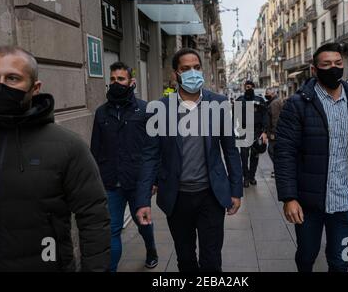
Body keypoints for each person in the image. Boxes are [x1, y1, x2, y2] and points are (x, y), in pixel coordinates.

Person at [0, 46, 110, 272]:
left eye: (12, 78)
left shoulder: (68, 146)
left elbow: (94, 217)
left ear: (35, 88)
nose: (0, 85)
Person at [274, 43, 348, 272]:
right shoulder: (297, 104)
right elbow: (285, 153)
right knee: (306, 255)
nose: (333, 68)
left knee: (342, 259)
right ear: (314, 69)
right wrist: (289, 197)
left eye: (338, 63)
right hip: (308, 202)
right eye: (326, 64)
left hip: (347, 201)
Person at [135, 48, 243, 272]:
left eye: (196, 67)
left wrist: (236, 190)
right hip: (177, 198)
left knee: (212, 260)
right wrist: (143, 199)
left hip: (211, 196)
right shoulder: (160, 109)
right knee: (185, 259)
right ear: (176, 74)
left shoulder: (219, 104)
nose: (192, 72)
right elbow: (150, 156)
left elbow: (231, 150)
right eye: (185, 69)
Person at [91, 62, 158, 272]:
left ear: (131, 82)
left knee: (143, 223)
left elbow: (154, 149)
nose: (115, 83)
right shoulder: (101, 113)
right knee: (112, 230)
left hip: (138, 181)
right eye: (112, 79)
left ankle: (151, 249)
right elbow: (95, 149)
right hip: (111, 181)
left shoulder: (146, 110)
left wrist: (154, 180)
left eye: (120, 79)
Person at [235, 81, 268, 187]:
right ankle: (246, 178)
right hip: (244, 132)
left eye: (249, 87)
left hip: (257, 132)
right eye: (246, 87)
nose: (247, 89)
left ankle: (252, 177)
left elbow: (265, 117)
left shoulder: (260, 100)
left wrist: (264, 132)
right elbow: (234, 118)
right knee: (244, 157)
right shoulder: (240, 100)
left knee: (255, 156)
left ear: (253, 87)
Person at [265, 88, 284, 179]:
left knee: (272, 151)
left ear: (272, 94)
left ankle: (278, 169)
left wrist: (273, 133)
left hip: (275, 133)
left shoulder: (274, 103)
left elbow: (275, 119)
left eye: (267, 93)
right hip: (278, 132)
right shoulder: (276, 101)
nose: (266, 95)